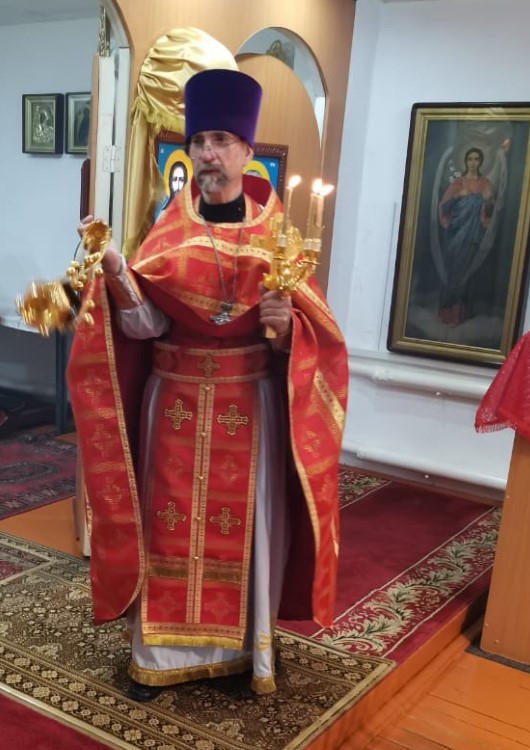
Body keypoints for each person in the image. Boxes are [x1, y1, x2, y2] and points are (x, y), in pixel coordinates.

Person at [66, 68, 348, 702]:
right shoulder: (168, 230)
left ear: (247, 151)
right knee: (166, 525)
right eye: (199, 142)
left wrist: (287, 329)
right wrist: (116, 272)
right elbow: (144, 326)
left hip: (249, 407)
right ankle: (159, 656)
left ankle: (246, 653)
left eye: (222, 140)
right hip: (174, 403)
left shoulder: (279, 239)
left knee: (248, 527)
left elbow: (319, 343)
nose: (208, 154)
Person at [436, 146, 495, 325]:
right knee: (453, 270)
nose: (473, 162)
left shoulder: (485, 184)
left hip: (472, 235)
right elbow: (444, 206)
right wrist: (459, 196)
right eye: (470, 159)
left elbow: (490, 210)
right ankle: (447, 312)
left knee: (466, 272)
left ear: (481, 162)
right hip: (455, 234)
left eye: (476, 159)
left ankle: (461, 315)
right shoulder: (458, 183)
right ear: (465, 161)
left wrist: (484, 201)